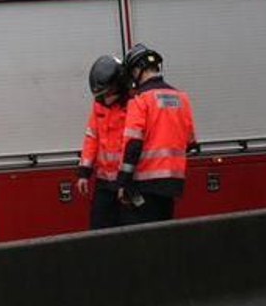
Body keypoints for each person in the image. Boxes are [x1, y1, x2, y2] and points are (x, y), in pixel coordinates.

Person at [116, 43, 196, 225]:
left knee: (141, 239)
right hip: (172, 184)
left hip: (144, 184)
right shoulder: (181, 98)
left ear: (137, 70)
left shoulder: (140, 100)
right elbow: (190, 142)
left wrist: (123, 181)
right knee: (163, 235)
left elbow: (133, 145)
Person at [76, 54, 130, 230]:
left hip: (128, 181)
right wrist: (84, 172)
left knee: (128, 232)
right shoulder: (99, 104)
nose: (104, 97)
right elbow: (91, 137)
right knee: (98, 230)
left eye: (108, 92)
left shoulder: (134, 104)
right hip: (104, 182)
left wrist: (125, 179)